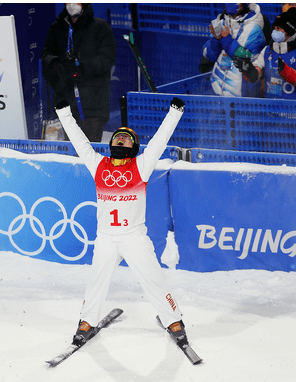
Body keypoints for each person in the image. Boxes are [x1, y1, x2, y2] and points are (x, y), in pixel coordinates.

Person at [54, 96, 190, 348]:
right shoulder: (99, 165)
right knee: (97, 280)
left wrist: (174, 112)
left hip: (133, 237)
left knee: (153, 279)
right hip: (105, 237)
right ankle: (87, 321)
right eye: (117, 136)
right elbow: (79, 140)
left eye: (126, 137)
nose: (120, 138)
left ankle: (174, 321)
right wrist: (64, 113)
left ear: (134, 146)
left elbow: (160, 140)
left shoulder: (141, 165)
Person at [41, 3, 116, 143]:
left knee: (90, 151)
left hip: (93, 101)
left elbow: (107, 58)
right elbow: (47, 52)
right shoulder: (57, 27)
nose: (72, 4)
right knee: (71, 149)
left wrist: (82, 68)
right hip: (66, 98)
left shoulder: (100, 27)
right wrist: (56, 64)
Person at [236, 8, 296, 100]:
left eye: (278, 28)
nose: (275, 31)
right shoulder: (268, 50)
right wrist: (249, 70)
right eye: (274, 28)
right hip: (270, 107)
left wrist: (286, 72)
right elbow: (257, 69)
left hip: (293, 109)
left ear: (289, 31)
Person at [199, 3, 266, 98]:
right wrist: (216, 39)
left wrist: (225, 39)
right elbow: (210, 56)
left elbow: (245, 58)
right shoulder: (222, 21)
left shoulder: (254, 28)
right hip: (216, 91)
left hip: (241, 97)